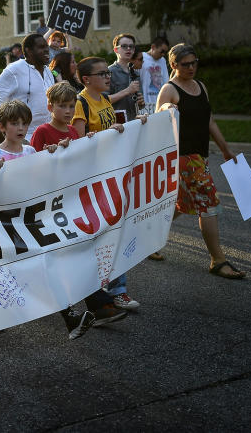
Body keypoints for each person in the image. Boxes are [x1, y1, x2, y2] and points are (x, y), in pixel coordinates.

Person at [156, 43, 246, 279]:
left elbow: (210, 121)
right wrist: (166, 108)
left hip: (200, 156)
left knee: (181, 203)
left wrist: (225, 150)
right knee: (208, 204)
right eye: (186, 64)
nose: (192, 68)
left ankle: (151, 238)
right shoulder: (169, 89)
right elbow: (158, 124)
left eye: (195, 63)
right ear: (174, 65)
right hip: (184, 159)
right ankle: (218, 260)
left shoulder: (200, 86)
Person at [73, 56, 147, 311]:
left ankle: (116, 290)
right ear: (86, 79)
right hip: (93, 181)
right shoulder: (80, 103)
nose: (108, 77)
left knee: (115, 233)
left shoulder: (104, 99)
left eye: (108, 72)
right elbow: (80, 145)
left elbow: (108, 131)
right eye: (102, 73)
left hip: (110, 175)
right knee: (102, 235)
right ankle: (107, 291)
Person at [0, 33, 53, 143]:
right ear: (28, 51)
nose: (46, 50)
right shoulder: (14, 69)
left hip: (46, 137)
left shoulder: (48, 72)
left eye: (46, 47)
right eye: (41, 47)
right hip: (24, 139)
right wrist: (0, 130)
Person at [30, 82, 90, 152]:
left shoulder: (73, 130)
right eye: (62, 106)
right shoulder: (42, 131)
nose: (68, 111)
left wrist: (90, 139)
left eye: (71, 106)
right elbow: (33, 160)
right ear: (50, 107)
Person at [0, 99, 36, 165]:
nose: (20, 128)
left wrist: (50, 154)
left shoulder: (30, 151)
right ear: (1, 126)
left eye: (24, 123)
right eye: (14, 123)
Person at [107, 33, 143, 122]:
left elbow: (140, 104)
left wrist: (141, 102)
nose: (128, 49)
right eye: (124, 46)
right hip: (116, 123)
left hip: (133, 121)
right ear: (116, 50)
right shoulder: (108, 72)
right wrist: (128, 91)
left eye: (131, 46)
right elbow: (102, 101)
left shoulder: (135, 73)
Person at [141, 36, 170, 111]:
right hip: (145, 105)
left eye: (165, 52)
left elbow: (166, 81)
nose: (163, 54)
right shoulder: (141, 57)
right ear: (153, 47)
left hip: (159, 104)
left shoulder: (162, 60)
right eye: (162, 51)